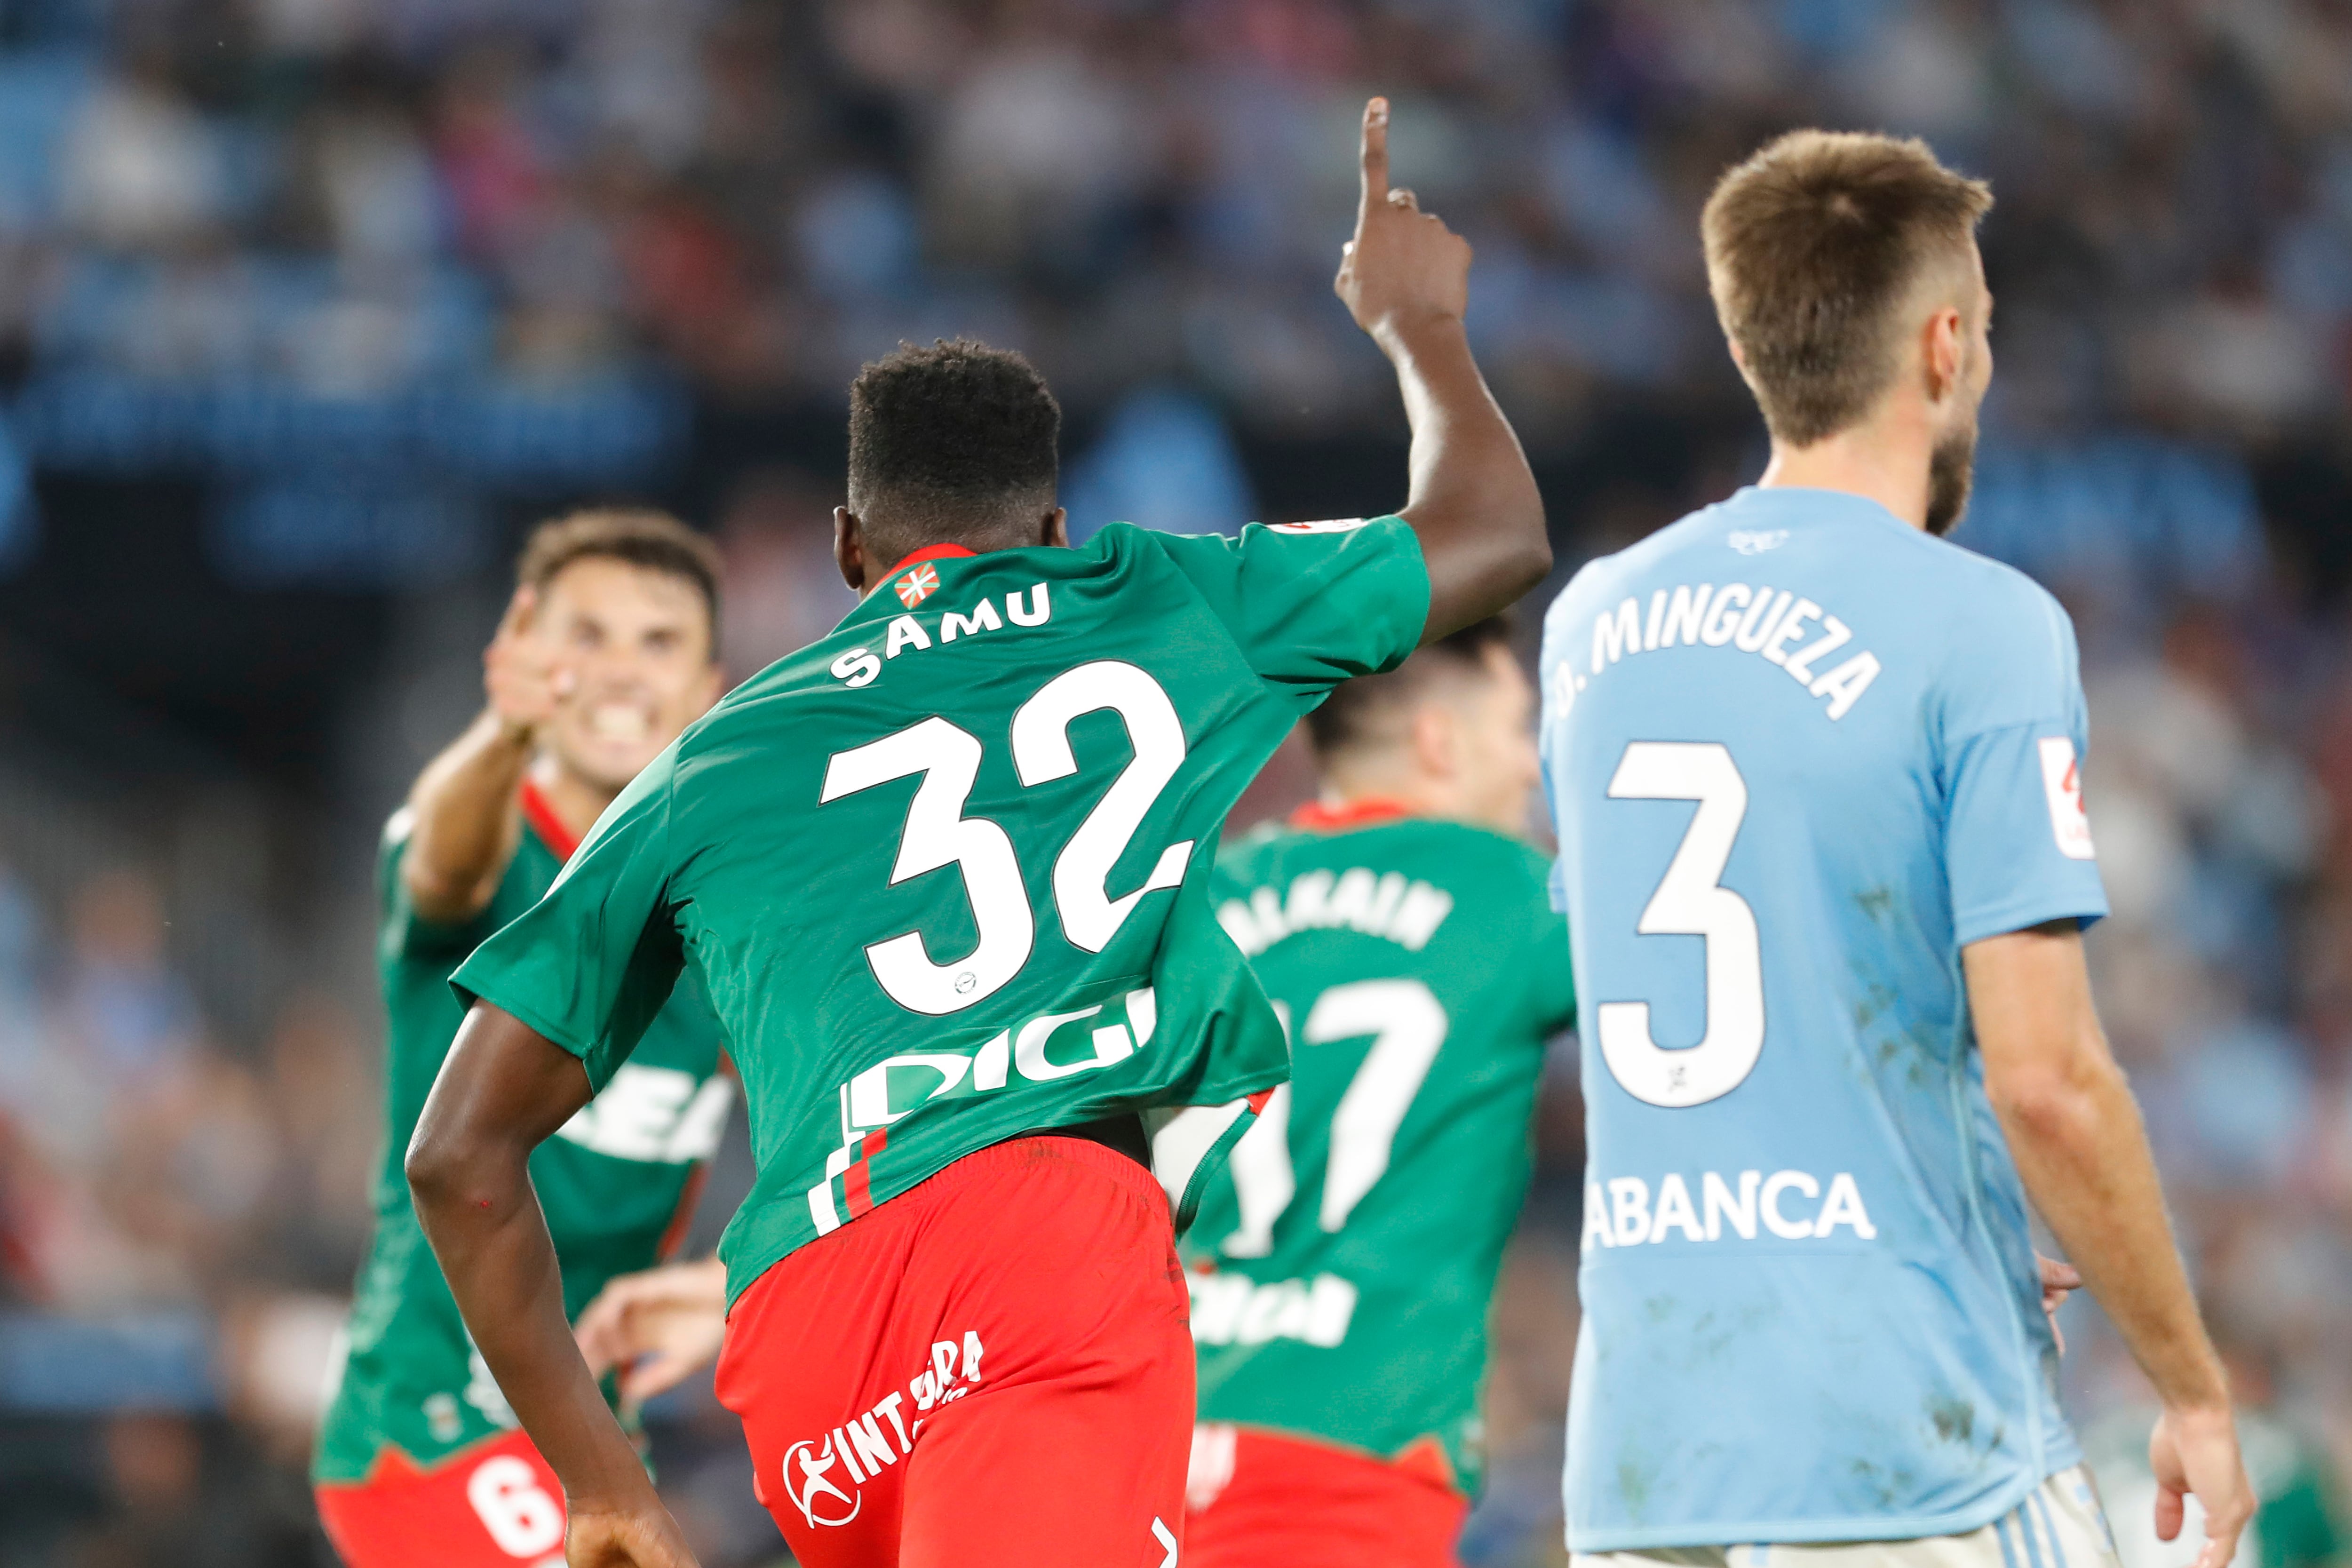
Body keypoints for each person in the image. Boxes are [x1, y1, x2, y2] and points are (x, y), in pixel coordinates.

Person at [402, 97, 1550, 1568]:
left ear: (846, 550)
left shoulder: (713, 759)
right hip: (1047, 1246)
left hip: (810, 1332)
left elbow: (458, 1157)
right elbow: (1496, 532)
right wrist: (1419, 328)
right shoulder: (1156, 598)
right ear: (1062, 530)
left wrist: (607, 1482)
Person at [1537, 129, 2253, 1568]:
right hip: (1907, 1447)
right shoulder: (1983, 623)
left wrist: (1958, 1206)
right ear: (1943, 346)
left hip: (1652, 1449)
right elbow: (2047, 1078)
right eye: (1982, 328)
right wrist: (2192, 1384)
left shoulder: (1592, 624)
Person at [312, 511, 735, 1568]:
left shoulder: (727, 907)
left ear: (710, 687)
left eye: (658, 642)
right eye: (586, 636)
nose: (622, 673)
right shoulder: (483, 846)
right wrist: (500, 738)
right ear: (527, 658)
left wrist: (742, 1288)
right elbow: (440, 870)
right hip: (431, 1425)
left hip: (590, 1439)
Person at [1180, 616, 1578, 1568]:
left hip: (1150, 1453)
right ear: (1439, 740)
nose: (1531, 768)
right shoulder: (1514, 895)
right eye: (1518, 728)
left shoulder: (1195, 906)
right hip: (1356, 1465)